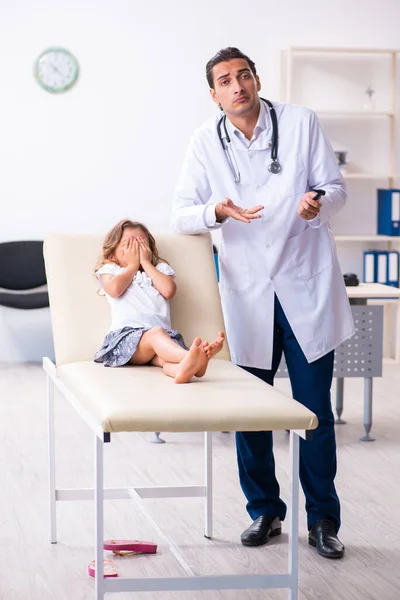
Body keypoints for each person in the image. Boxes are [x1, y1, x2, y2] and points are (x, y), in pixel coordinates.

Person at [172, 47, 355, 558]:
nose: (237, 86)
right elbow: (181, 214)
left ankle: (322, 520)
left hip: (305, 286)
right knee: (251, 412)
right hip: (248, 291)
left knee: (314, 412)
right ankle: (265, 512)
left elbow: (336, 188)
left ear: (256, 79)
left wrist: (316, 203)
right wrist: (217, 210)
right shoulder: (204, 141)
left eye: (244, 76)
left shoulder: (300, 123)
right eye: (225, 81)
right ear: (214, 94)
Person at [94, 219, 225, 383]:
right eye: (129, 245)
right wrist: (132, 265)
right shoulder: (111, 270)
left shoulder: (160, 270)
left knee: (163, 358)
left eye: (141, 243)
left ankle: (184, 368)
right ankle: (193, 357)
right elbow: (114, 290)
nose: (137, 249)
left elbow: (169, 291)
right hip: (125, 339)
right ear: (113, 253)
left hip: (162, 340)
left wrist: (146, 263)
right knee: (155, 333)